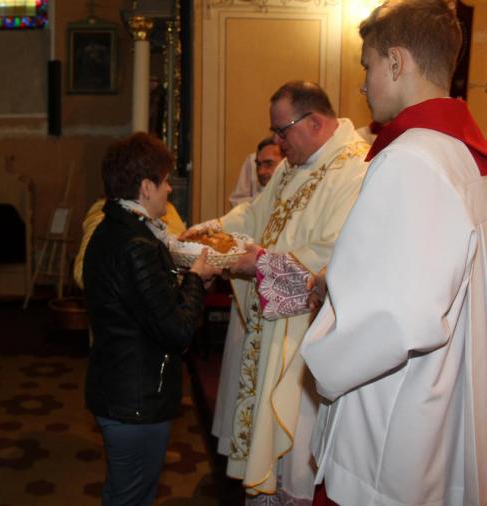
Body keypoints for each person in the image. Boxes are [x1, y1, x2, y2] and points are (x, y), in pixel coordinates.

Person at [300, 1, 487, 504]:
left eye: (368, 66)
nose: (363, 85)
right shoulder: (460, 155)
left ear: (397, 62)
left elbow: (396, 317)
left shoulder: (411, 158)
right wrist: (343, 275)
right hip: (438, 399)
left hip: (389, 417)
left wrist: (323, 344)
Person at [183, 81, 369, 503]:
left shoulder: (355, 169)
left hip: (306, 334)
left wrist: (262, 263)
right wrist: (211, 231)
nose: (277, 143)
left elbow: (336, 254)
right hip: (270, 328)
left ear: (314, 122)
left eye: (282, 131)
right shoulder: (293, 164)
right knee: (266, 432)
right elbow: (254, 214)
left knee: (295, 444)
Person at [83, 132, 219, 506]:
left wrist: (184, 283)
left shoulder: (113, 228)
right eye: (165, 182)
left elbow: (143, 307)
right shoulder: (136, 245)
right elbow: (176, 331)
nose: (169, 191)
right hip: (135, 400)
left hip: (120, 389)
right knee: (132, 497)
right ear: (145, 187)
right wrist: (196, 281)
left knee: (122, 493)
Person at [73, 199, 186, 291]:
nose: (169, 188)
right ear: (146, 186)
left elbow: (176, 266)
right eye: (164, 181)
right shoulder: (105, 213)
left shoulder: (168, 209)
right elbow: (84, 274)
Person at [228, 138, 284, 208]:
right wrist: (263, 200)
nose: (261, 172)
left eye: (269, 164)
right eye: (258, 165)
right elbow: (236, 201)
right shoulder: (252, 160)